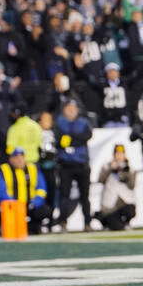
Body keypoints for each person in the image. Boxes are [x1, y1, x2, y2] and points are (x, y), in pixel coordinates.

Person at [55, 99, 93, 232]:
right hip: (66, 165)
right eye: (69, 108)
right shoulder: (60, 122)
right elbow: (58, 140)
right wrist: (74, 139)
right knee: (64, 194)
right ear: (64, 109)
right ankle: (62, 222)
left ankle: (88, 223)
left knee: (85, 196)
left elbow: (87, 136)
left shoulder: (83, 122)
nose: (71, 111)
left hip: (81, 163)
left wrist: (71, 139)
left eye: (73, 108)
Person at [0, 147, 50, 235]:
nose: (19, 160)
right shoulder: (3, 170)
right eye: (16, 157)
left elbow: (42, 189)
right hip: (12, 206)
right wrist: (15, 204)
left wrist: (35, 202)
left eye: (21, 157)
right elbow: (0, 192)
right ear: (11, 159)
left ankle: (33, 227)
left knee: (44, 210)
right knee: (4, 211)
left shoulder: (33, 168)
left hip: (30, 204)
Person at [95, 144, 137, 231]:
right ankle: (103, 219)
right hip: (110, 205)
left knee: (130, 210)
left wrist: (123, 171)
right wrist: (111, 169)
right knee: (117, 227)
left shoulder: (129, 168)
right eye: (117, 153)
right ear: (113, 155)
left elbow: (132, 185)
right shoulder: (106, 166)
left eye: (121, 153)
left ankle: (125, 222)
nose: (119, 156)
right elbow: (100, 180)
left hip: (124, 201)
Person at [98, 62, 131, 127]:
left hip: (122, 118)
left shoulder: (125, 84)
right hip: (108, 119)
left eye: (114, 71)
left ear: (118, 73)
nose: (112, 73)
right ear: (107, 74)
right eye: (110, 72)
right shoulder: (102, 86)